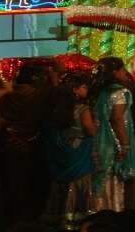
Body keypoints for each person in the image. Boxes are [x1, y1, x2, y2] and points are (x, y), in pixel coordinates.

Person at [0, 63, 53, 227]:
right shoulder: (38, 97)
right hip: (32, 148)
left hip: (10, 146)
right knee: (30, 185)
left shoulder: (6, 98)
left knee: (13, 185)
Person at [43, 72, 96, 230]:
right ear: (75, 90)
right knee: (78, 186)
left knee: (61, 187)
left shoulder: (53, 109)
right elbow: (90, 130)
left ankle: (60, 220)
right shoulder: (82, 108)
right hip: (79, 154)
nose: (87, 91)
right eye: (84, 87)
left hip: (60, 154)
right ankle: (77, 223)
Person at [89, 57, 135, 211]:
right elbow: (117, 119)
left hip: (98, 140)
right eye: (123, 69)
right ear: (115, 72)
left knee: (99, 177)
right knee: (112, 179)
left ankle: (94, 212)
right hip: (113, 141)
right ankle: (109, 214)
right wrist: (124, 144)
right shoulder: (120, 91)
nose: (126, 73)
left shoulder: (99, 91)